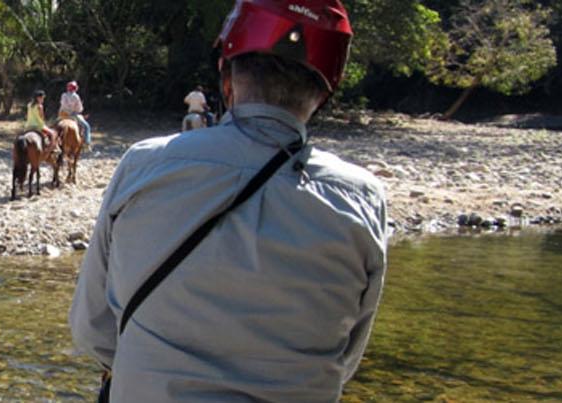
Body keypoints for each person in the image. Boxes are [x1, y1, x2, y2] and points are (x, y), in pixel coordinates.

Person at [68, 0, 389, 401]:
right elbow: (345, 361)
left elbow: (92, 330)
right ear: (322, 95)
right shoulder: (363, 198)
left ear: (227, 80)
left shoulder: (145, 165)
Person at [59, 81, 92, 147]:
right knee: (87, 126)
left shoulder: (63, 95)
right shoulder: (76, 96)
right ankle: (87, 142)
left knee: (54, 125)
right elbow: (79, 108)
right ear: (75, 88)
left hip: (63, 114)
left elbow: (62, 104)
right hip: (73, 115)